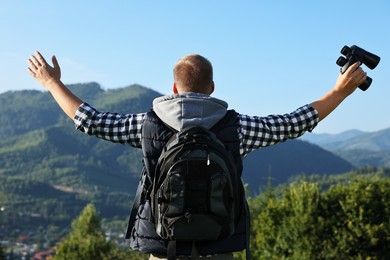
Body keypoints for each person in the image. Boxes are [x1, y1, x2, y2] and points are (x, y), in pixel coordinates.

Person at [27, 51, 367, 260]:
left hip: (163, 246)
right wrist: (339, 90)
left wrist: (52, 83)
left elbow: (90, 120)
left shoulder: (147, 126)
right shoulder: (237, 128)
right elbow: (295, 122)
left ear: (174, 88)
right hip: (219, 245)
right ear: (212, 87)